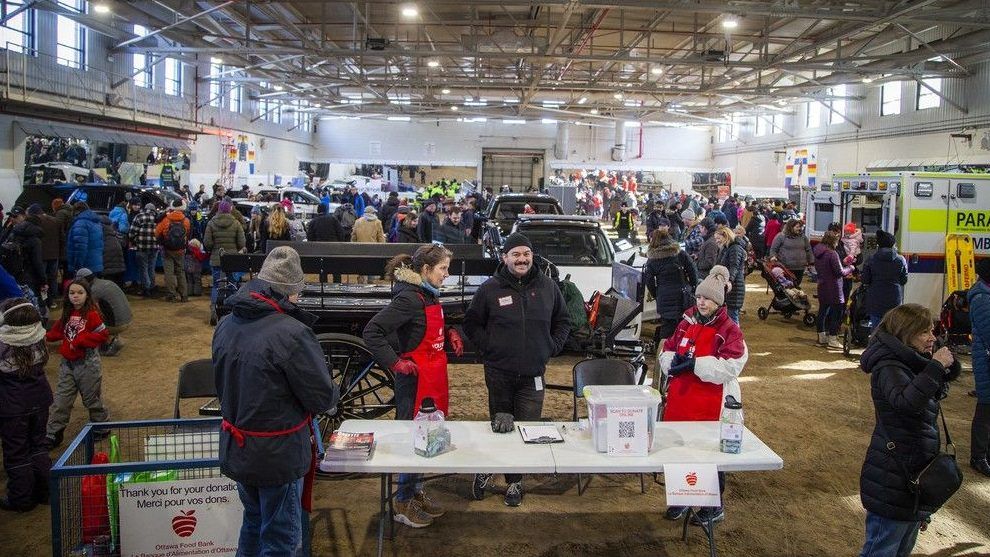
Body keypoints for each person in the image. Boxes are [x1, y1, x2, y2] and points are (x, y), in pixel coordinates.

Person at [213, 246, 339, 555]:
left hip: (238, 448)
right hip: (277, 454)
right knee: (281, 538)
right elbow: (321, 396)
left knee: (253, 523)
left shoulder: (225, 325)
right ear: (290, 292)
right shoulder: (291, 333)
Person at [463, 233, 570, 507]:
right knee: (500, 426)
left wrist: (551, 346)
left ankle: (514, 481)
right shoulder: (490, 288)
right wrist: (490, 348)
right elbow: (472, 324)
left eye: (526, 254)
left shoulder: (548, 287)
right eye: (516, 254)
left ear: (532, 256)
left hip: (533, 375)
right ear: (505, 257)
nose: (522, 259)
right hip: (499, 374)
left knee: (527, 429)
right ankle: (486, 470)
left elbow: (563, 320)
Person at [362, 244, 463, 528]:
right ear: (425, 270)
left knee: (429, 433)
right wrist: (395, 363)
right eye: (443, 269)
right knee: (414, 437)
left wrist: (451, 332)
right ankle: (403, 501)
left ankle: (416, 491)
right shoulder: (409, 298)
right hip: (416, 380)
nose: (446, 274)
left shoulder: (427, 295)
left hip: (432, 376)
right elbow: (373, 331)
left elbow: (421, 327)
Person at [858, 303, 960, 556]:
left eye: (932, 331)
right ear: (906, 333)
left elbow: (929, 394)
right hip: (893, 475)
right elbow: (905, 403)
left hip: (910, 473)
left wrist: (941, 368)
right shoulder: (889, 367)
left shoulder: (912, 362)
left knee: (901, 548)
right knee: (882, 549)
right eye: (925, 332)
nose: (932, 338)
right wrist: (935, 367)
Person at [658, 265, 747, 525]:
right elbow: (669, 348)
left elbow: (731, 366)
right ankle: (680, 497)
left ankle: (713, 505)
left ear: (718, 301)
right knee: (677, 448)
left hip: (711, 403)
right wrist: (671, 362)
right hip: (681, 401)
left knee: (709, 454)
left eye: (707, 298)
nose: (701, 302)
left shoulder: (730, 330)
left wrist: (695, 364)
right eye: (699, 297)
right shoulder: (686, 321)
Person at [43, 279, 110, 449]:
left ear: (87, 295)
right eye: (72, 293)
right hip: (67, 364)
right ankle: (53, 433)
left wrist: (81, 340)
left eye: (80, 293)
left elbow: (103, 335)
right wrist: (44, 336)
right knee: (61, 399)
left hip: (87, 363)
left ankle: (101, 426)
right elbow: (57, 331)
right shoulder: (67, 313)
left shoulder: (92, 314)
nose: (76, 296)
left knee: (91, 398)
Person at [0, 298, 52, 512]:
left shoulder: (3, 346)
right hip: (40, 400)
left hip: (13, 407)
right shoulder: (39, 340)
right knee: (38, 445)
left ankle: (21, 499)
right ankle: (45, 491)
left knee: (16, 452)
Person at [642, 229, 698, 348]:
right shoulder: (680, 254)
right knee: (686, 325)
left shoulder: (652, 260)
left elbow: (649, 281)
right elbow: (693, 271)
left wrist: (657, 294)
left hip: (665, 297)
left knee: (667, 328)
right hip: (683, 296)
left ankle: (665, 352)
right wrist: (693, 287)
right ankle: (684, 351)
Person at [74, 268, 131, 357]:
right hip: (128, 320)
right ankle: (115, 338)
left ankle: (107, 342)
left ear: (84, 280)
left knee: (86, 319)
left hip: (118, 325)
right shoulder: (106, 282)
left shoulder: (93, 290)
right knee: (107, 309)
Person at [204, 200, 246, 317]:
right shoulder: (236, 223)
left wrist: (214, 248)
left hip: (216, 258)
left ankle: (214, 308)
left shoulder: (211, 223)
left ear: (219, 210)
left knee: (216, 284)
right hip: (232, 259)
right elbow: (242, 243)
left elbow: (207, 243)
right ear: (229, 209)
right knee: (233, 283)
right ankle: (233, 310)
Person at [861, 231, 908, 331]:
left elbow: (865, 280)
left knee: (876, 331)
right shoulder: (901, 260)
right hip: (894, 299)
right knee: (893, 330)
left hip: (875, 299)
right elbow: (904, 280)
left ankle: (877, 346)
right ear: (893, 244)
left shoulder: (871, 259)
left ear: (879, 244)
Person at [969, 258, 990, 477]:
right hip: (985, 362)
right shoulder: (982, 298)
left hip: (985, 358)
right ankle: (979, 456)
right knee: (985, 409)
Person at [813, 231, 851, 349]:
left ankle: (821, 337)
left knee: (822, 312)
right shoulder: (832, 254)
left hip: (822, 285)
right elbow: (839, 272)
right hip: (834, 287)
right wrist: (850, 268)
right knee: (836, 313)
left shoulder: (818, 251)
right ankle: (833, 339)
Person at [154, 200, 191, 303]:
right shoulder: (186, 220)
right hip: (180, 250)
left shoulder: (166, 220)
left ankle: (171, 295)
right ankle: (184, 295)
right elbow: (187, 235)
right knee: (181, 272)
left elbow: (157, 233)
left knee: (169, 273)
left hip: (167, 250)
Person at [715, 227, 748, 324]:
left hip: (735, 287)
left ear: (725, 236)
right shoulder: (727, 248)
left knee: (732, 318)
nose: (716, 241)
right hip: (730, 286)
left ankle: (737, 339)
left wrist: (729, 281)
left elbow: (734, 266)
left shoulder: (735, 248)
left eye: (718, 238)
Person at [128, 203, 160, 297]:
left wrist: (134, 241)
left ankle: (146, 288)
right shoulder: (157, 218)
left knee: (143, 268)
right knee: (151, 268)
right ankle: (152, 286)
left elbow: (132, 232)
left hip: (141, 247)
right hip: (154, 247)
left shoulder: (139, 216)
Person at [769, 219, 813, 287]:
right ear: (791, 227)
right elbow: (773, 249)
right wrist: (773, 256)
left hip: (800, 267)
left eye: (800, 227)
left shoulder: (803, 237)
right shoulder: (781, 236)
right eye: (797, 227)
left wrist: (811, 261)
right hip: (786, 267)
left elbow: (808, 249)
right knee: (786, 286)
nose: (799, 229)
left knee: (796, 284)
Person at [65, 202, 104, 278]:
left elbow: (80, 248)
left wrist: (77, 267)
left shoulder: (80, 223)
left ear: (76, 211)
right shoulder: (96, 222)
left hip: (85, 267)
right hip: (96, 264)